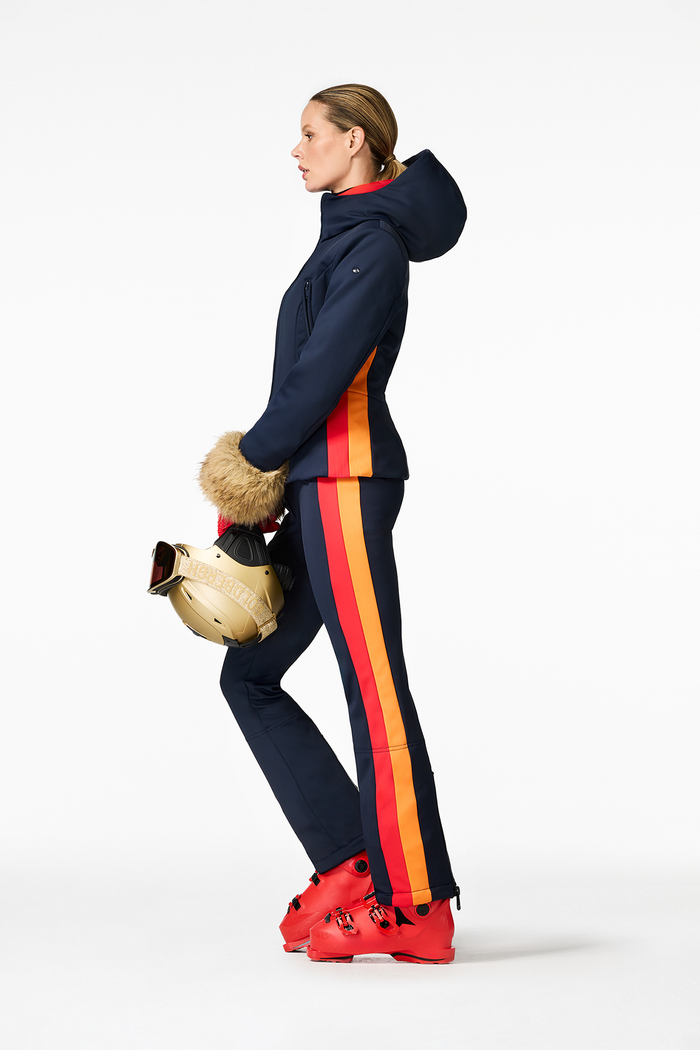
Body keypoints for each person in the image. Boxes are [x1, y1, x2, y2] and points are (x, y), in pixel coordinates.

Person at [199, 83, 467, 963]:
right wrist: (273, 480)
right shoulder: (347, 237)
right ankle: (354, 862)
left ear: (355, 141)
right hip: (316, 485)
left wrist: (249, 465)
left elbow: (319, 377)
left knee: (373, 685)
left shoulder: (373, 245)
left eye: (311, 133)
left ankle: (416, 904)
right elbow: (305, 380)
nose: (297, 148)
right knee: (250, 675)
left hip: (348, 483)